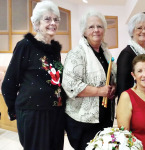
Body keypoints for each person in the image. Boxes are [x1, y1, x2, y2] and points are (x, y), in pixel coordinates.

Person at [1, 1, 65, 150]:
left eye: (56, 19)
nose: (52, 23)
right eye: (47, 19)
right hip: (33, 114)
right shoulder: (25, 45)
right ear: (36, 23)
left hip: (55, 112)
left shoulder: (55, 50)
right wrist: (15, 110)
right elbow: (9, 82)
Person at [62, 10, 116, 150]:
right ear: (84, 32)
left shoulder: (106, 53)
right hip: (82, 121)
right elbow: (71, 86)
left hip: (104, 117)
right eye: (91, 27)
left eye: (100, 26)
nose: (96, 30)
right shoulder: (76, 54)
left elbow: (112, 79)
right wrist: (100, 91)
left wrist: (112, 89)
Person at [116, 12, 145, 98]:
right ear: (132, 31)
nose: (143, 31)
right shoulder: (126, 54)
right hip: (136, 104)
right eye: (139, 28)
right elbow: (122, 88)